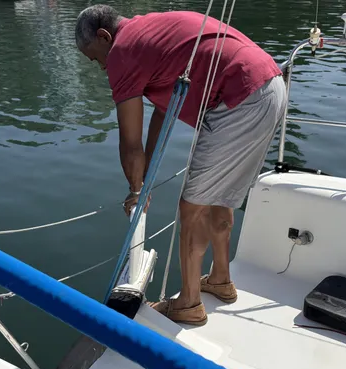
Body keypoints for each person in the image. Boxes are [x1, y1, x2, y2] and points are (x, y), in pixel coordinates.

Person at [75, 5, 287, 326]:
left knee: (192, 207)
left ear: (105, 37)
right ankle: (220, 279)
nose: (101, 67)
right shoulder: (152, 32)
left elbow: (129, 142)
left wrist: (136, 191)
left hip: (237, 100)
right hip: (269, 86)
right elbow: (164, 112)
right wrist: (144, 180)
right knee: (220, 197)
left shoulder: (122, 51)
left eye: (95, 57)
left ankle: (188, 303)